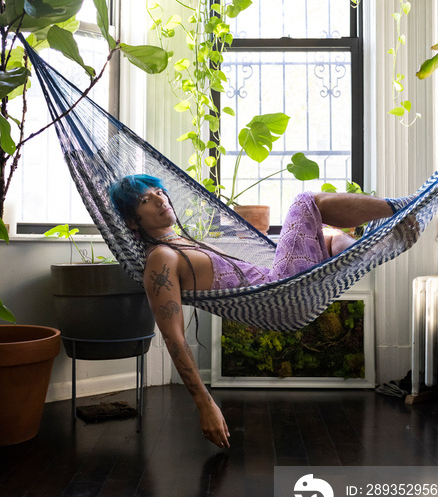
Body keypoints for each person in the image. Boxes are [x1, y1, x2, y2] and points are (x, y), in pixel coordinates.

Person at [109, 174, 406, 449]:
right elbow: (174, 338)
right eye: (146, 200)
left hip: (283, 289)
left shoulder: (182, 241)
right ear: (132, 223)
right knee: (305, 201)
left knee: (331, 237)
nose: (161, 199)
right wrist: (205, 405)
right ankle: (397, 210)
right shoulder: (161, 258)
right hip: (282, 295)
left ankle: (366, 250)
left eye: (160, 192)